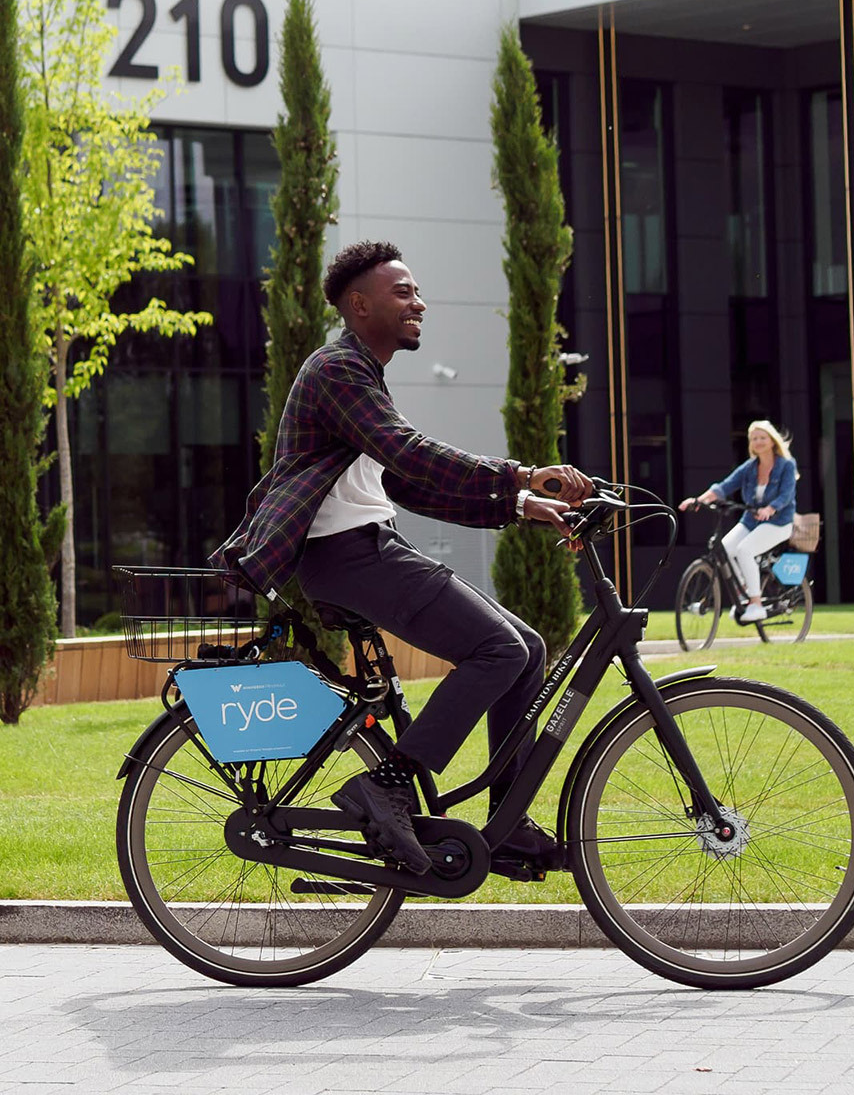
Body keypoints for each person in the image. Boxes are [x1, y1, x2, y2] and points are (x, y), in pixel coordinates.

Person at [213, 240, 594, 876]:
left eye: (416, 292)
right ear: (358, 305)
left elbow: (407, 483)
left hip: (365, 546)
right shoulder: (337, 371)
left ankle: (507, 820)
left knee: (525, 648)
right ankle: (387, 781)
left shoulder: (361, 373)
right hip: (343, 555)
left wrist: (523, 504)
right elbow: (409, 453)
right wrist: (521, 472)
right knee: (498, 649)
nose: (419, 303)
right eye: (403, 292)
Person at [679, 421, 798, 623]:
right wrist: (699, 500)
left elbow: (786, 495)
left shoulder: (786, 465)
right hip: (752, 520)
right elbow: (724, 487)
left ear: (771, 441)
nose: (758, 442)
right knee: (724, 549)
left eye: (762, 438)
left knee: (744, 550)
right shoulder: (750, 468)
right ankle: (743, 592)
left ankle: (756, 603)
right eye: (754, 439)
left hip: (779, 522)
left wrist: (771, 508)